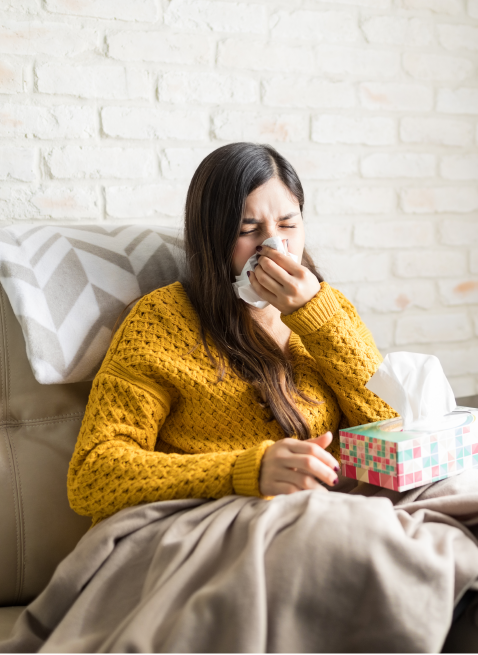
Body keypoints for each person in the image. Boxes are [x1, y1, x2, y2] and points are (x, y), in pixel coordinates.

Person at [67, 142, 397, 524]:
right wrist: (244, 472)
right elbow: (92, 475)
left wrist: (316, 317)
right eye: (248, 230)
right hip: (217, 522)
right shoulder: (160, 321)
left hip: (334, 511)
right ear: (212, 238)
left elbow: (393, 429)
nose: (275, 246)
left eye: (289, 224)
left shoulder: (329, 308)